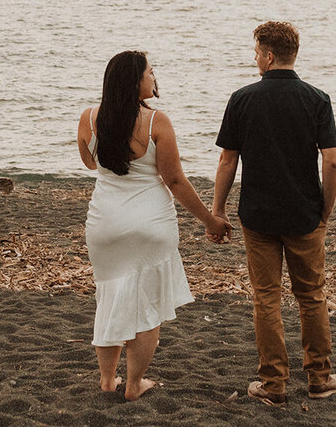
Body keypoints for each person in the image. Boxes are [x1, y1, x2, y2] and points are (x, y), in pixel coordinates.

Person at [78, 50, 232, 401]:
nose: (154, 77)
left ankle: (106, 380)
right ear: (136, 82)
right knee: (146, 306)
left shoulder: (88, 118)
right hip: (149, 225)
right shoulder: (156, 121)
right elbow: (175, 180)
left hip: (104, 224)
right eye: (150, 72)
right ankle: (133, 385)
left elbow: (90, 163)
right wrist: (211, 220)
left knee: (109, 299)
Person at [211, 21, 336, 405]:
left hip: (259, 216)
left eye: (256, 52)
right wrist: (326, 211)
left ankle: (273, 386)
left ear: (269, 56)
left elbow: (227, 161)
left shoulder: (242, 99)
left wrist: (217, 210)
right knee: (311, 297)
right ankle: (319, 378)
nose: (254, 58)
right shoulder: (317, 99)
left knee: (266, 299)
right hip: (305, 215)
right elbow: (332, 163)